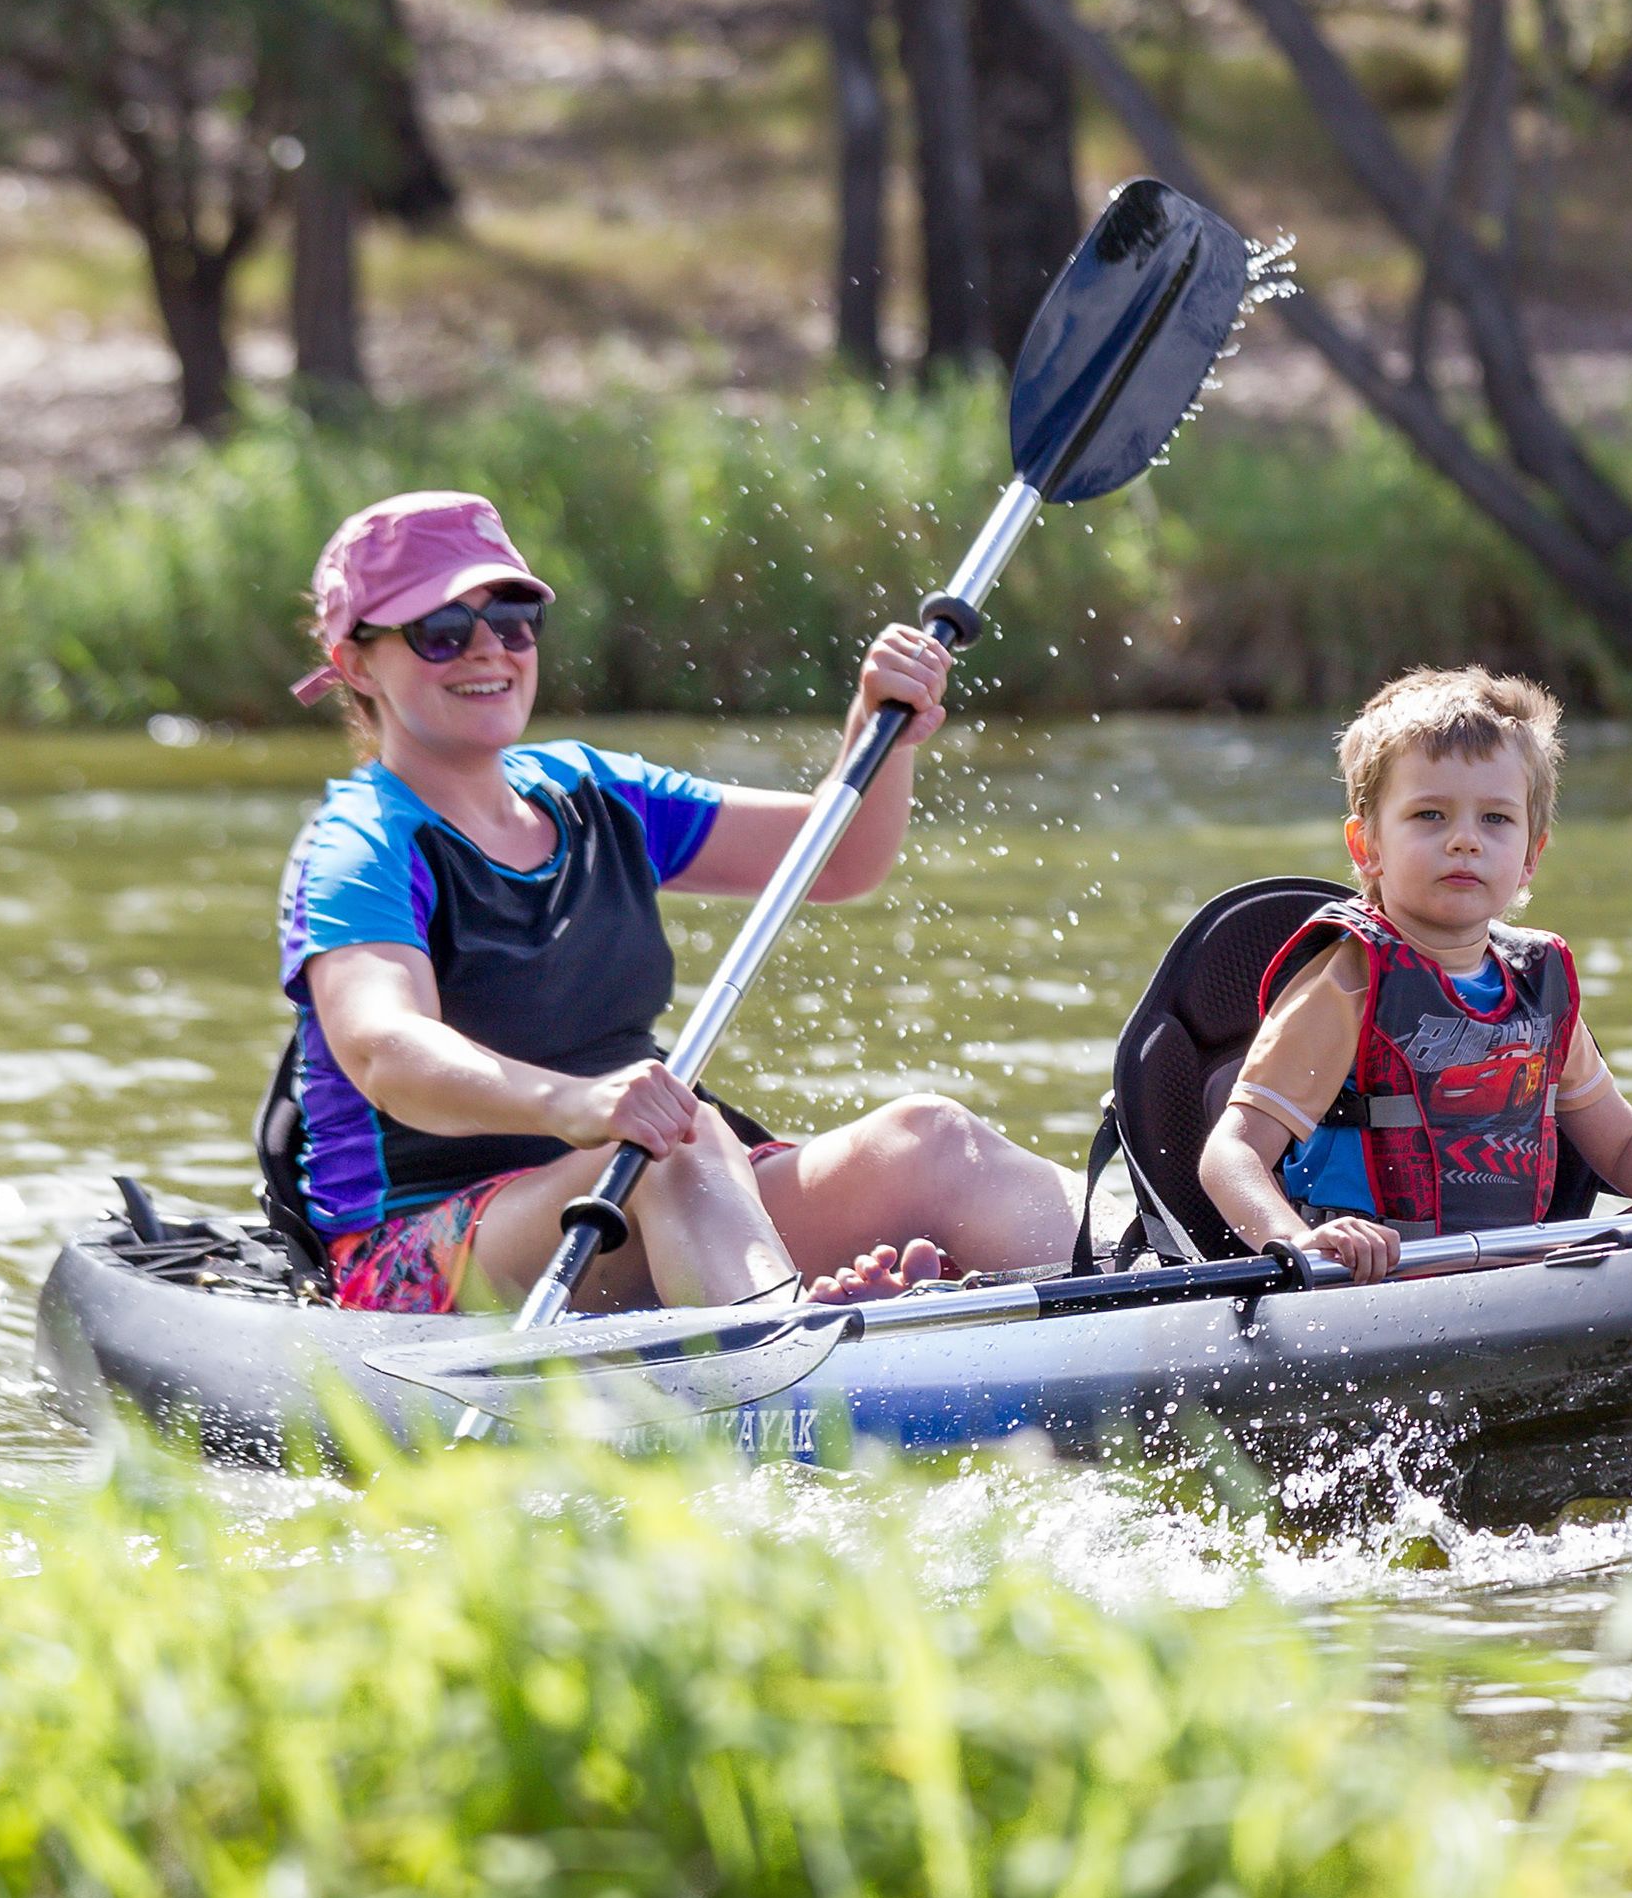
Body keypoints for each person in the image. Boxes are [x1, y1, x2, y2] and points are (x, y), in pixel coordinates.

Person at [274, 489, 1076, 1314]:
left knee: (930, 1138)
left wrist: (876, 727)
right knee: (675, 1139)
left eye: (512, 619)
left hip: (644, 1184)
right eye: (441, 632)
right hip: (420, 1256)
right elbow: (385, 1051)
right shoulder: (361, 843)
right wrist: (580, 1104)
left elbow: (832, 862)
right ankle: (788, 1355)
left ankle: (1160, 1278)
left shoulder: (592, 790)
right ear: (355, 663)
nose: (487, 651)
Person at [1198, 665, 1632, 1281]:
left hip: (1519, 1277)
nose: (1465, 841)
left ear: (1532, 854)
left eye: (1496, 819)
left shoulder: (1539, 983)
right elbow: (1230, 1155)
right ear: (1366, 844)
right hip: (1370, 1285)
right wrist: (1302, 1242)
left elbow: (1621, 1144)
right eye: (1430, 815)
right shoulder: (1346, 984)